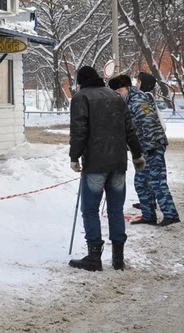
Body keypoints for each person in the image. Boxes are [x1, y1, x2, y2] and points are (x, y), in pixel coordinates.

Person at [69, 66, 145, 272]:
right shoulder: (115, 96)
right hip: (119, 162)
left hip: (95, 163)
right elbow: (130, 129)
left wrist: (74, 157)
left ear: (81, 82)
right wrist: (137, 155)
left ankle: (94, 257)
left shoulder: (81, 98)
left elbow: (79, 132)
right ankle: (118, 258)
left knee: (91, 209)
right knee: (115, 209)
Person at [110, 74, 180, 227]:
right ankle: (148, 215)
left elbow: (147, 123)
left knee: (156, 181)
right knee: (141, 182)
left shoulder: (138, 100)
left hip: (152, 146)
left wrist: (146, 148)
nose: (118, 94)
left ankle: (170, 214)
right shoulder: (128, 100)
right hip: (144, 148)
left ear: (127, 88)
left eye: (119, 91)